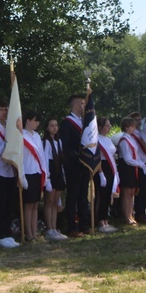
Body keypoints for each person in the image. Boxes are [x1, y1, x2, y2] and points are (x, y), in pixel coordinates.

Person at [0, 99, 20, 247]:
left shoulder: (10, 126)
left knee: (9, 204)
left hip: (10, 171)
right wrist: (9, 138)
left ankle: (7, 233)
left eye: (6, 109)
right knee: (0, 205)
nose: (4, 112)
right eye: (1, 109)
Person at [59, 94, 90, 237]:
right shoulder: (67, 122)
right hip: (73, 165)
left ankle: (84, 224)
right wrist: (77, 157)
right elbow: (65, 146)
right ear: (76, 105)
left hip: (84, 164)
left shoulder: (85, 122)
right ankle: (72, 227)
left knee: (83, 196)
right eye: (82, 104)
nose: (84, 106)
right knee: (73, 196)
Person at [21, 111, 50, 242]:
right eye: (35, 120)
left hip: (37, 172)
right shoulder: (21, 135)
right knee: (28, 204)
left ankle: (34, 232)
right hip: (27, 172)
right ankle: (28, 233)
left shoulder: (37, 136)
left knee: (35, 204)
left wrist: (45, 174)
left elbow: (42, 156)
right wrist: (21, 176)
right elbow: (19, 157)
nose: (37, 123)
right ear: (27, 121)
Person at [117, 117, 146, 225]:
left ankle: (131, 215)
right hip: (126, 167)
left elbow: (136, 155)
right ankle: (126, 217)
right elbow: (127, 158)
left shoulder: (131, 138)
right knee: (126, 193)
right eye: (132, 126)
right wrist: (140, 164)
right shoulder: (124, 140)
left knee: (132, 192)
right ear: (126, 127)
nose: (134, 128)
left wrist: (145, 163)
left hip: (133, 167)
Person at [42, 118, 68, 240]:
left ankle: (54, 227)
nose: (54, 128)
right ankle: (49, 229)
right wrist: (47, 178)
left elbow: (61, 160)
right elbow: (46, 160)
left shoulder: (59, 142)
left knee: (55, 202)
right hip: (50, 171)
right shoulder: (46, 142)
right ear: (47, 128)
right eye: (51, 125)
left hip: (58, 172)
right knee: (49, 201)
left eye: (56, 125)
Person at [96, 118, 119, 232]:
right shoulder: (97, 140)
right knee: (102, 195)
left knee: (108, 195)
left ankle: (106, 219)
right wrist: (100, 173)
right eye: (106, 126)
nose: (109, 128)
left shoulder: (108, 139)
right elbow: (97, 158)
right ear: (100, 127)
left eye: (109, 125)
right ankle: (100, 221)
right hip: (102, 168)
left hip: (110, 168)